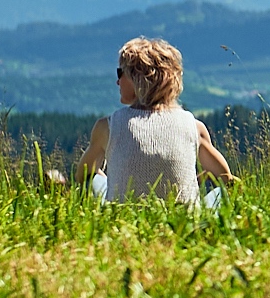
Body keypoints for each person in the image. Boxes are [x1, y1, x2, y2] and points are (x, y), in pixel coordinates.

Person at [75, 36, 237, 202]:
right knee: (220, 191)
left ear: (136, 79)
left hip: (122, 214)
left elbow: (82, 176)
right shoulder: (194, 127)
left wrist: (107, 178)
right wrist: (198, 180)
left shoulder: (108, 127)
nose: (117, 81)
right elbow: (226, 177)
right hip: (184, 216)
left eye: (120, 73)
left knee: (92, 179)